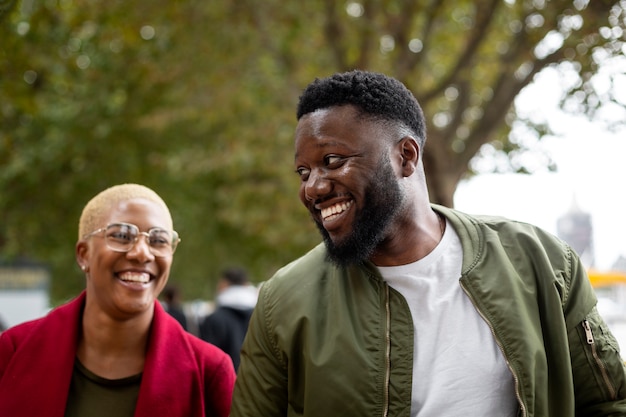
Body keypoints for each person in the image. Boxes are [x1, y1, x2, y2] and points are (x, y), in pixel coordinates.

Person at [230, 70, 626, 416]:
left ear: (406, 155)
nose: (312, 188)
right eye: (303, 172)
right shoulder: (281, 301)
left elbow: (609, 404)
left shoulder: (544, 262)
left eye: (332, 161)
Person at [0, 183, 236, 417]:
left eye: (158, 241)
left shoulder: (210, 373)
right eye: (122, 236)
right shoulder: (13, 353)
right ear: (84, 254)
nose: (143, 253)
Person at [199, 266, 258, 371]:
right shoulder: (260, 317)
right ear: (246, 284)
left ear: (224, 284)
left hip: (224, 382)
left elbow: (207, 360)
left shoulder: (214, 319)